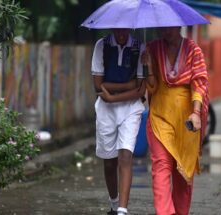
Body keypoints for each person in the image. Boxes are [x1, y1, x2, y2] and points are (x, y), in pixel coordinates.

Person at [142, 26, 209, 215]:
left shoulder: (193, 49)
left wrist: (196, 113)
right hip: (159, 116)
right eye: (162, 27)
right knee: (161, 165)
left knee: (183, 174)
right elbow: (152, 88)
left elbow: (199, 82)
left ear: (179, 26)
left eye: (169, 26)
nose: (165, 30)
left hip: (186, 118)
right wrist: (147, 67)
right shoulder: (152, 48)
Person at [91, 28, 146, 215]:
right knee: (109, 161)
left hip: (131, 108)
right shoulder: (102, 46)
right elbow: (98, 85)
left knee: (125, 155)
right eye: (117, 29)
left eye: (125, 29)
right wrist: (128, 86)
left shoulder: (140, 48)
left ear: (131, 27)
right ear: (112, 27)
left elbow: (140, 90)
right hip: (106, 110)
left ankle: (122, 210)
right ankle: (114, 203)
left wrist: (113, 94)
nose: (121, 33)